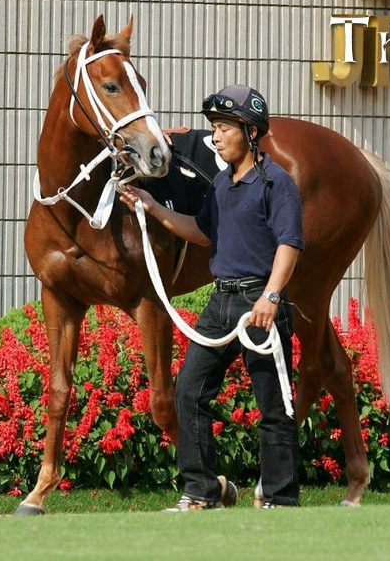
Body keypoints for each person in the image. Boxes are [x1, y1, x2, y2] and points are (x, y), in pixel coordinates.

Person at [120, 84, 303, 510]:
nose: (215, 137)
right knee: (188, 392)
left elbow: (289, 243)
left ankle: (280, 499)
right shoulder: (221, 182)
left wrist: (271, 297)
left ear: (251, 132)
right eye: (214, 128)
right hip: (220, 303)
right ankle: (202, 491)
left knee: (273, 406)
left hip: (259, 303)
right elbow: (202, 233)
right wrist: (152, 207)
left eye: (224, 128)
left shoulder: (277, 183)